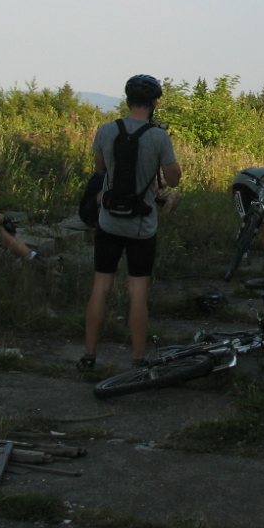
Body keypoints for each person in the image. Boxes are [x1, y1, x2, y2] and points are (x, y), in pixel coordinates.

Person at [79, 75, 182, 372]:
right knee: (137, 290)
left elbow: (100, 169)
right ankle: (138, 359)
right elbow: (173, 178)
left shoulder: (106, 129)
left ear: (127, 100)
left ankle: (89, 356)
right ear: (154, 102)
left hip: (109, 220)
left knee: (101, 286)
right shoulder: (158, 136)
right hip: (141, 224)